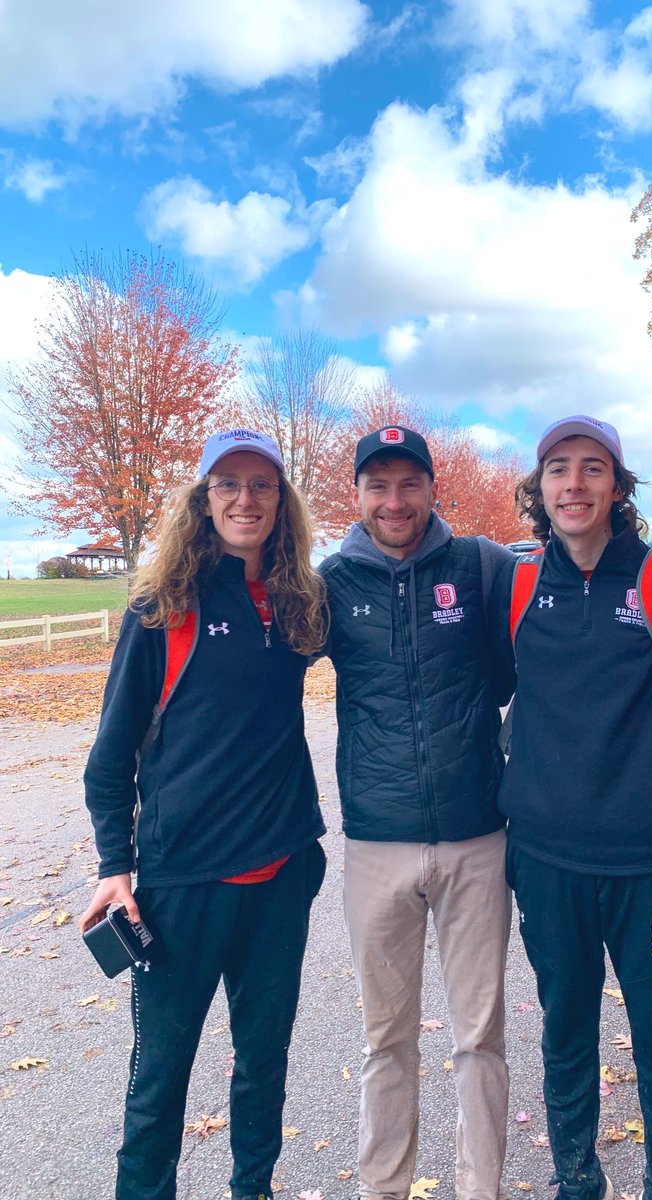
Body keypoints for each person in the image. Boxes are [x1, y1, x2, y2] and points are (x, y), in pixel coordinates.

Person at [318, 425, 652, 1200]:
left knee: (558, 1041)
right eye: (377, 485)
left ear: (435, 490)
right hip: (448, 847)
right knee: (452, 1040)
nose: (394, 500)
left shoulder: (499, 569)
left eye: (591, 469)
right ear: (357, 496)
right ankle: (492, 1184)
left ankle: (600, 1185)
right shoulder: (345, 584)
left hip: (556, 852)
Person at [80, 428, 328, 1200]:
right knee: (159, 1078)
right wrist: (114, 866)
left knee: (264, 1067)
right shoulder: (164, 607)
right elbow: (110, 753)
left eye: (261, 485)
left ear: (281, 501)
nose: (245, 499)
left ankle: (253, 1187)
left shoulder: (299, 604)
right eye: (228, 485)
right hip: (181, 885)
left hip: (280, 876)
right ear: (204, 499)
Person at [501, 415, 652, 1200]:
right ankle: (578, 1182)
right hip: (545, 867)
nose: (574, 484)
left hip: (649, 874)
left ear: (618, 485)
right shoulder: (519, 583)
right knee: (565, 1039)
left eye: (593, 468)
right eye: (558, 469)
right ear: (539, 489)